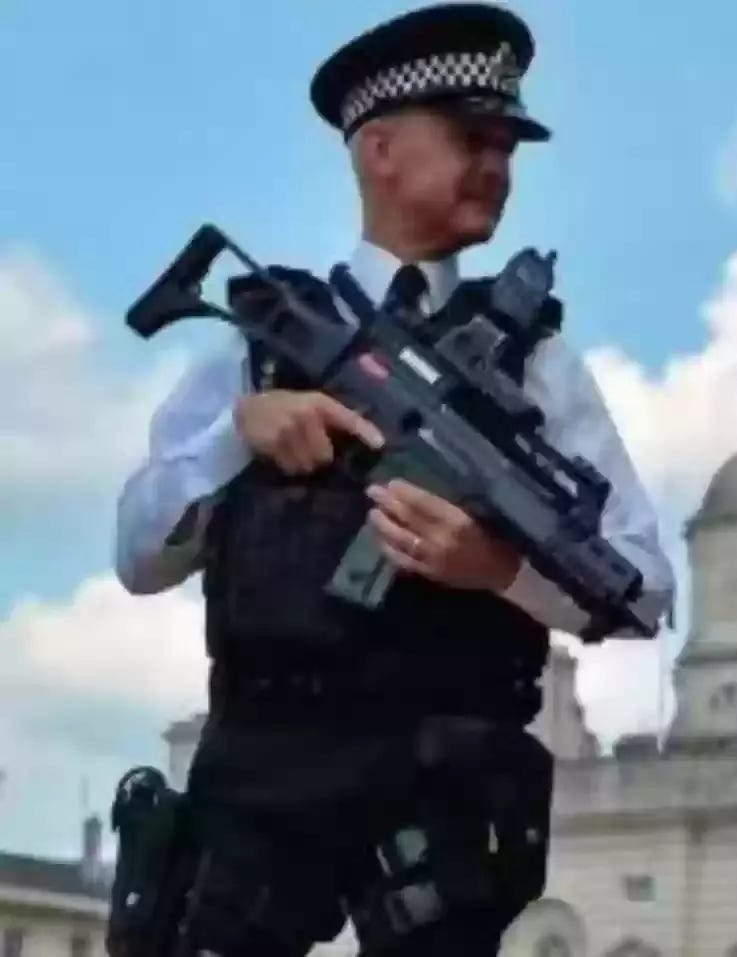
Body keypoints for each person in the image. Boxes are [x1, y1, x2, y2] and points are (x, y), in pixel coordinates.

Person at [110, 4, 674, 955]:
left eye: (508, 147)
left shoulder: (538, 365)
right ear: (379, 149)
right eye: (471, 138)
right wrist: (238, 438)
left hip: (441, 787)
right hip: (265, 772)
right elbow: (136, 554)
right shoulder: (265, 339)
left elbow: (644, 587)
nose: (496, 165)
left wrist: (497, 569)